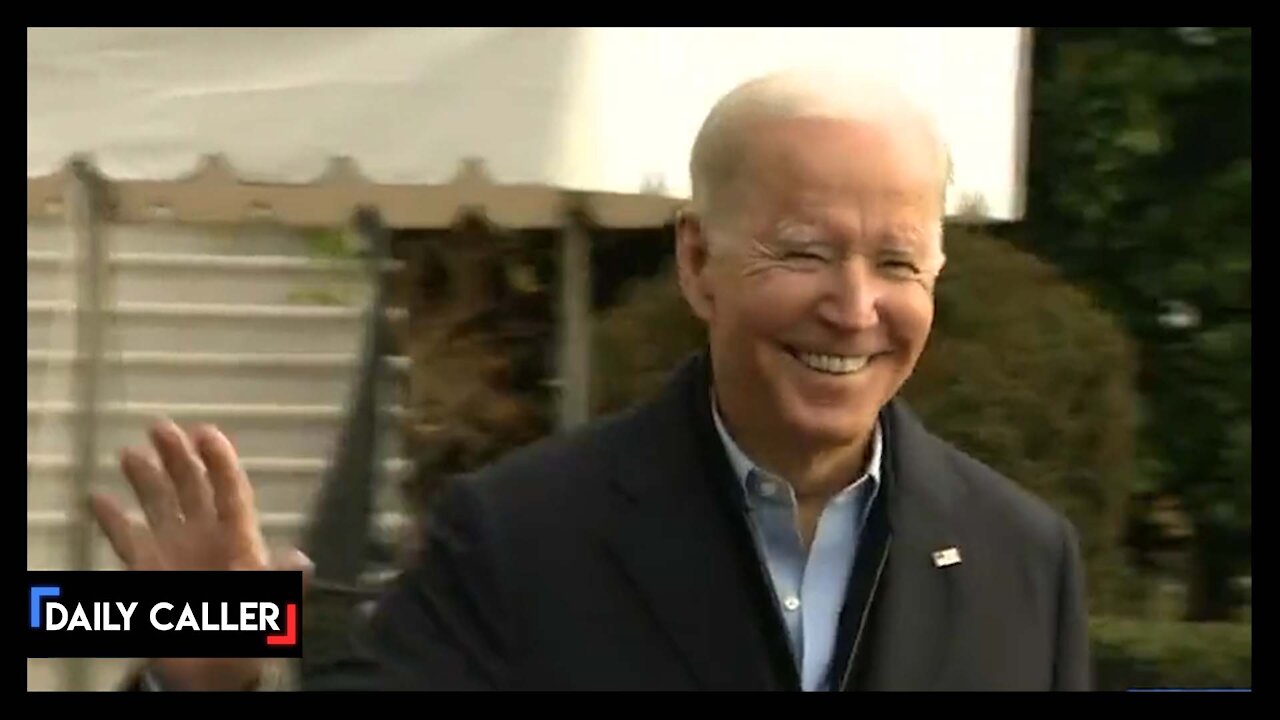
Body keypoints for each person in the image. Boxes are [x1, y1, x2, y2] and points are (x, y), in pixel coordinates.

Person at [93, 68, 1092, 691]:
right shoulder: (513, 538)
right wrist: (207, 673)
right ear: (696, 262)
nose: (852, 306)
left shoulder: (1024, 560)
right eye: (801, 253)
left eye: (896, 264)